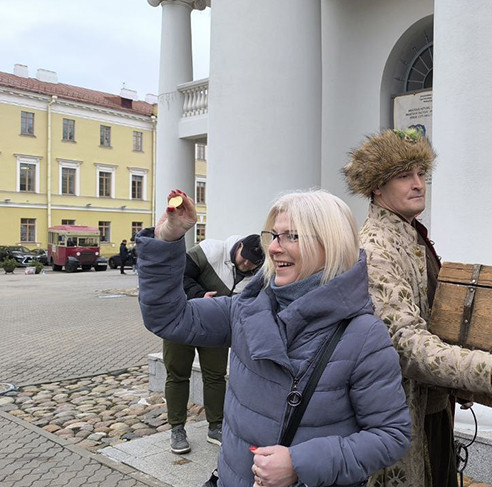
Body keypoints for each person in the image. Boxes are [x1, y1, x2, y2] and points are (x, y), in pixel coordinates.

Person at [137, 189, 411, 487]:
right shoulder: (245, 309)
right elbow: (168, 317)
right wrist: (168, 239)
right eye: (274, 236)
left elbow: (391, 435)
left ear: (330, 244)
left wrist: (299, 464)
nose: (274, 248)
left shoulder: (364, 335)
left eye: (291, 236)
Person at [344, 128, 492, 487]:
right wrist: (484, 371)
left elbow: (434, 322)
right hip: (398, 414)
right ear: (376, 186)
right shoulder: (375, 249)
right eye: (405, 176)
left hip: (431, 407)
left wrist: (461, 382)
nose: (419, 184)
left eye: (422, 174)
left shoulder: (410, 234)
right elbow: (405, 344)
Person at [163, 233, 265, 455]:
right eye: (244, 257)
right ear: (238, 246)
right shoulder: (211, 250)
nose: (246, 264)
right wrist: (199, 295)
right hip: (181, 319)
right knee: (177, 374)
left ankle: (216, 426)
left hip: (215, 328)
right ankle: (177, 428)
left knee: (215, 376)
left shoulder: (257, 276)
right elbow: (178, 274)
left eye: (253, 262)